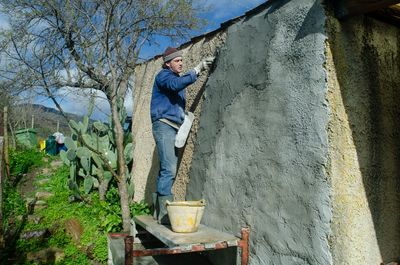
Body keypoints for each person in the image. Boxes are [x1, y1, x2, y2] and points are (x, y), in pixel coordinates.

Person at [150, 47, 214, 224]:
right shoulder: (163, 76)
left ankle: (159, 212)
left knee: (167, 168)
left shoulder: (176, 81)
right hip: (163, 125)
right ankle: (164, 215)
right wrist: (197, 69)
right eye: (177, 61)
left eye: (181, 60)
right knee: (169, 168)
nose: (181, 63)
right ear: (168, 63)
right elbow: (175, 85)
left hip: (174, 128)